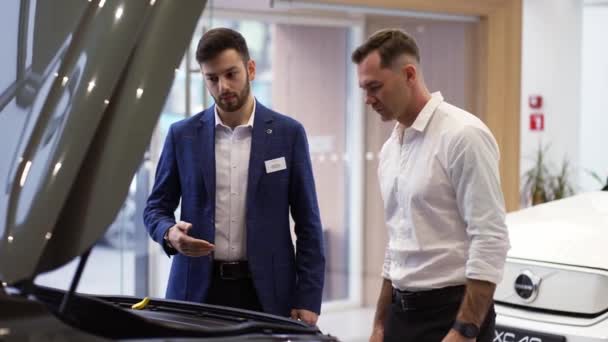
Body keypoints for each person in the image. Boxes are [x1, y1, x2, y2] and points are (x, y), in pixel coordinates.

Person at [143, 27, 325, 325]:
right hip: (196, 291)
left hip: (267, 294)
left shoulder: (287, 134)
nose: (223, 86)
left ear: (250, 69)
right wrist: (169, 233)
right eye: (212, 79)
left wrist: (308, 298)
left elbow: (308, 223)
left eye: (231, 74)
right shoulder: (182, 135)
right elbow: (155, 208)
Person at [351, 29, 510, 342]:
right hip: (401, 315)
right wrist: (380, 324)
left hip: (453, 316)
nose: (368, 99)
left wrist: (464, 330)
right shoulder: (391, 149)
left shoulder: (463, 136)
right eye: (364, 89)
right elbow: (396, 243)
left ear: (409, 74)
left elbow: (490, 238)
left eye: (375, 87)